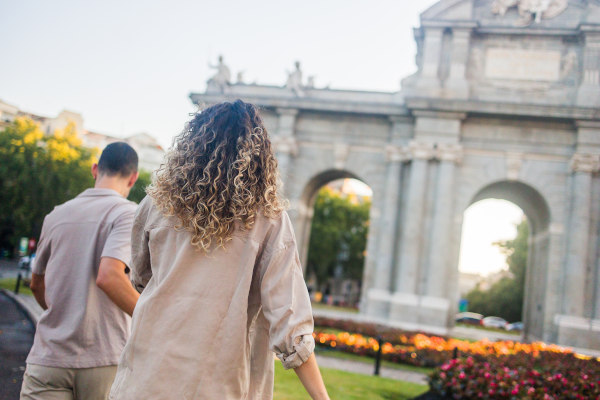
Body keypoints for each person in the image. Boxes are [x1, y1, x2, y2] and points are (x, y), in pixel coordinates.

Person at [109, 100, 330, 400]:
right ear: (258, 155)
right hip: (219, 385)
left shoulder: (155, 205)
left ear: (193, 143)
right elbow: (291, 326)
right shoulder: (269, 220)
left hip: (145, 379)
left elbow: (141, 279)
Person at [21, 142, 141, 400]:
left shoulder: (55, 215)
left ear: (95, 169)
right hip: (104, 358)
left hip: (49, 355)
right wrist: (151, 318)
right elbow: (109, 276)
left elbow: (36, 284)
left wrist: (65, 313)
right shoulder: (128, 214)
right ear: (133, 178)